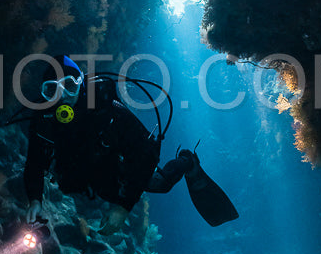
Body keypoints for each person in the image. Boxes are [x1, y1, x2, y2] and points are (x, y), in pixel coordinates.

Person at [23, 54, 235, 236]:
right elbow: (34, 162)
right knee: (89, 187)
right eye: (51, 91)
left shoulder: (107, 109)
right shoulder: (44, 119)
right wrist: (35, 200)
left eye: (69, 86)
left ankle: (187, 162)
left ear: (80, 83)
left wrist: (123, 208)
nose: (62, 98)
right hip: (87, 172)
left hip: (118, 164)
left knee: (158, 184)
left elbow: (146, 154)